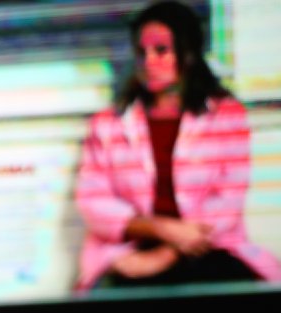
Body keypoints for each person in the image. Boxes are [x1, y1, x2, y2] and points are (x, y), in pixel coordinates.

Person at [74, 1, 281, 290]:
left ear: (189, 53)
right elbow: (93, 201)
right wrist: (160, 228)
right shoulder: (108, 123)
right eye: (142, 52)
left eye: (161, 50)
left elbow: (227, 202)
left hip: (207, 247)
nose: (149, 62)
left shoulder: (226, 116)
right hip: (131, 252)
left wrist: (168, 251)